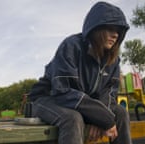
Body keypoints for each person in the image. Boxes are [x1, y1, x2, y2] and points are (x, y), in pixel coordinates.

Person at [29, 1, 132, 144]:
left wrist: (100, 119)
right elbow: (63, 92)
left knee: (121, 113)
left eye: (118, 31)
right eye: (110, 28)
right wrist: (102, 117)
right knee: (72, 118)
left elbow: (108, 94)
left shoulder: (113, 61)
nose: (115, 35)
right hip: (48, 99)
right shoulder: (71, 46)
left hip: (81, 104)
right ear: (96, 28)